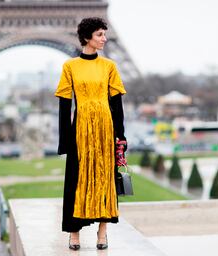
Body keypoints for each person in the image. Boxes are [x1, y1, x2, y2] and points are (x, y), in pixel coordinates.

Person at [55, 17, 127, 250]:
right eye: (99, 35)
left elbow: (117, 104)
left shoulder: (110, 66)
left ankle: (102, 233)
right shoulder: (70, 67)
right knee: (76, 181)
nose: (104, 38)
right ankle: (74, 234)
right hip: (80, 130)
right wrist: (65, 139)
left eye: (105, 34)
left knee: (106, 180)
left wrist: (121, 136)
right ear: (87, 37)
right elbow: (65, 106)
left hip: (106, 129)